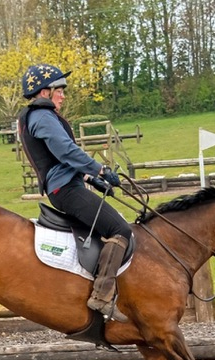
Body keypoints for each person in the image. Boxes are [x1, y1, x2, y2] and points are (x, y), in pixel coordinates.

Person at [18, 63, 133, 324]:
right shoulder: (42, 117)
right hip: (65, 190)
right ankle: (102, 296)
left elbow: (58, 160)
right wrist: (100, 169)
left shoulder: (39, 116)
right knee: (120, 230)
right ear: (44, 91)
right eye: (60, 90)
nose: (64, 95)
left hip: (69, 185)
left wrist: (90, 177)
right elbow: (66, 152)